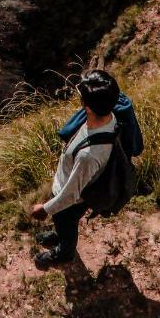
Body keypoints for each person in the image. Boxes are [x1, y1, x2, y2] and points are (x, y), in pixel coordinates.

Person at [31, 70, 120, 269]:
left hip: (71, 201)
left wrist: (45, 209)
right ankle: (60, 234)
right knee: (64, 224)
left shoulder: (88, 156)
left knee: (66, 222)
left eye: (81, 98)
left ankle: (64, 253)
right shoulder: (109, 116)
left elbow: (70, 196)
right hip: (75, 190)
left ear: (87, 107)